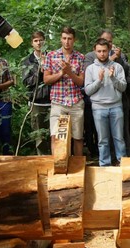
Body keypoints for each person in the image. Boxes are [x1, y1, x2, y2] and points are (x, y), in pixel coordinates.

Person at [43, 26, 85, 156]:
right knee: (56, 136)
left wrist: (70, 72)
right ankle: (57, 164)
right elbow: (46, 79)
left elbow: (81, 82)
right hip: (58, 102)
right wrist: (62, 73)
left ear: (74, 40)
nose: (67, 42)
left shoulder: (80, 57)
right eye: (64, 38)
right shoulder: (51, 55)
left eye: (70, 39)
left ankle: (77, 167)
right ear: (60, 39)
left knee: (77, 137)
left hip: (75, 102)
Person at [85, 38, 127, 166]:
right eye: (99, 51)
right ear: (95, 51)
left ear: (109, 50)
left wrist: (113, 77)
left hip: (116, 106)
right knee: (102, 140)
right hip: (98, 108)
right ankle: (104, 164)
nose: (102, 54)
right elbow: (87, 91)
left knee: (119, 138)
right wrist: (99, 80)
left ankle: (123, 163)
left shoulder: (117, 67)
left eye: (104, 51)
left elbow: (123, 87)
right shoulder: (90, 69)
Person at [22, 31, 51, 155]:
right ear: (32, 43)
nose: (39, 43)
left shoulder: (51, 56)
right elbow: (26, 82)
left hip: (53, 102)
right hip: (36, 102)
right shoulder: (27, 61)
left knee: (54, 135)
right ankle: (42, 162)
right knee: (40, 137)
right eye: (36, 41)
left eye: (41, 40)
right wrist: (40, 71)